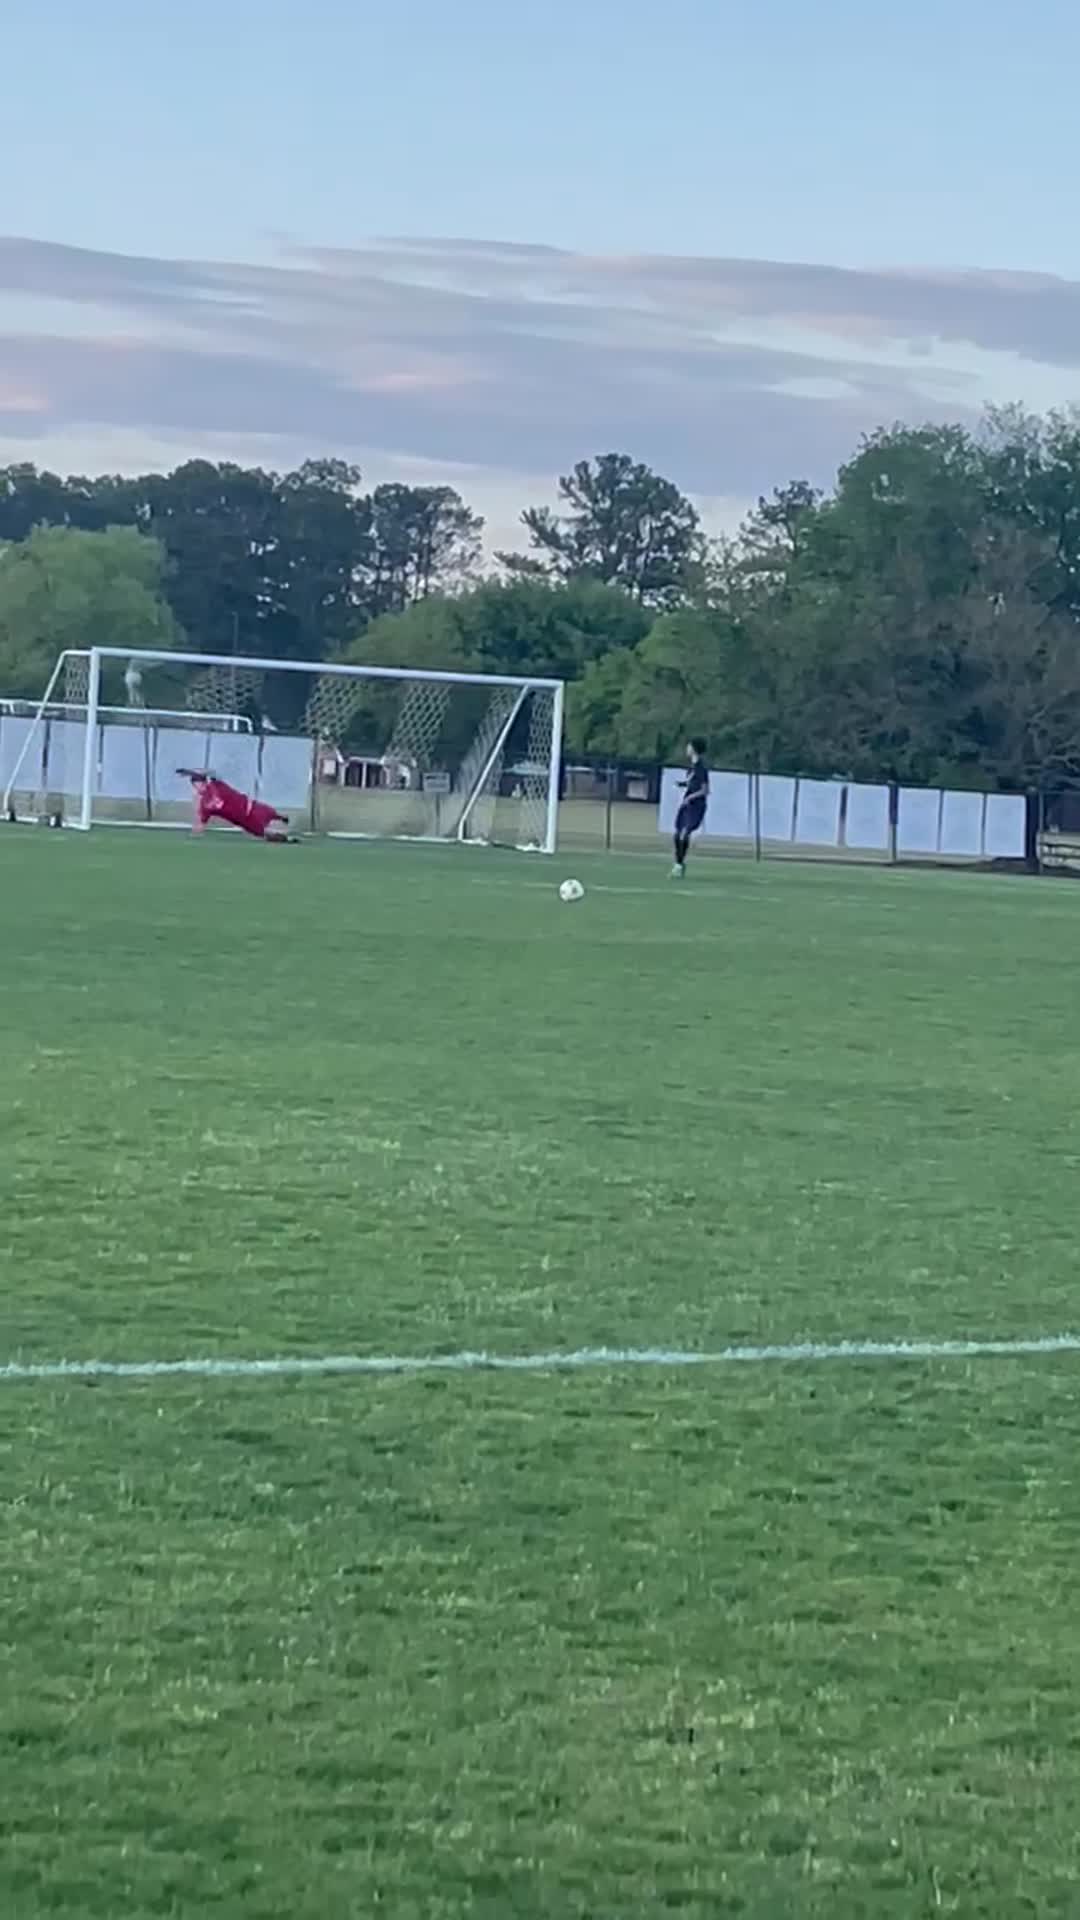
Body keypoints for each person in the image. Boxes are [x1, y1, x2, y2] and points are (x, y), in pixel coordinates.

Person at [178, 769, 297, 843]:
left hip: (251, 807)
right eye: (196, 785)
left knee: (271, 813)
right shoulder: (205, 804)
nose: (199, 786)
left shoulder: (217, 784)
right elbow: (201, 823)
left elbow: (213, 772)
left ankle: (282, 818)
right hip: (244, 821)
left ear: (205, 782)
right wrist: (193, 834)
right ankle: (289, 840)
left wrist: (192, 771)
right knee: (266, 835)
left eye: (200, 783)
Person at [672, 737, 709, 877]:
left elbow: (704, 790)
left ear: (694, 749)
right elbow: (692, 784)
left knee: (685, 833)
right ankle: (679, 863)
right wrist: (682, 784)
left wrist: (690, 797)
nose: (687, 749)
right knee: (677, 834)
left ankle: (679, 866)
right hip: (686, 805)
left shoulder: (701, 768)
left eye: (689, 746)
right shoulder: (692, 768)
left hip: (696, 806)